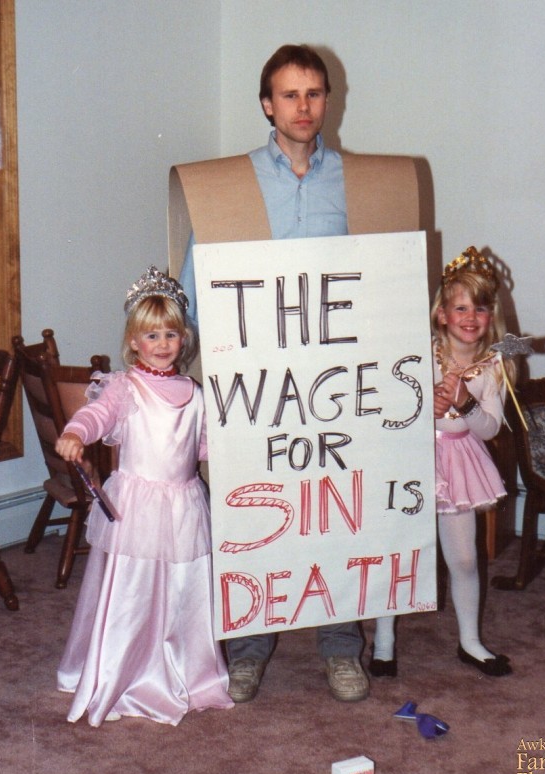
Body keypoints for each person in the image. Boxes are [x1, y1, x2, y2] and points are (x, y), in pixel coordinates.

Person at [180, 44, 369, 704]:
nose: (303, 106)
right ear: (267, 104)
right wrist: (174, 367)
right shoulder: (230, 184)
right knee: (257, 510)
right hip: (255, 377)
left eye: (313, 93)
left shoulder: (357, 181)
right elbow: (195, 283)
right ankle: (249, 649)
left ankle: (340, 647)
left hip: (334, 377)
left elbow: (383, 276)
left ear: (327, 100)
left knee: (336, 509)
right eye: (289, 95)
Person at [56, 266, 234, 726]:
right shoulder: (124, 386)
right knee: (132, 591)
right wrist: (75, 432)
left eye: (171, 334)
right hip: (138, 506)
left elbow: (201, 446)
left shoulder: (194, 392)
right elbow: (97, 415)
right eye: (151, 335)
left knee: (183, 589)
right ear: (134, 341)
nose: (162, 343)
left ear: (184, 338)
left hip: (184, 504)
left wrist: (240, 447)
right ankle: (124, 670)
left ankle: (187, 672)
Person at [369, 246, 514, 678]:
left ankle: (470, 641)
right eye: (461, 307)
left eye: (480, 308)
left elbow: (489, 428)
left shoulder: (493, 364)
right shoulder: (421, 352)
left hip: (459, 463)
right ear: (441, 314)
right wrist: (423, 405)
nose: (471, 317)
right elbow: (389, 404)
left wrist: (465, 403)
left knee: (465, 558)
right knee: (398, 550)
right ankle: (383, 641)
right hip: (411, 457)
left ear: (491, 315)